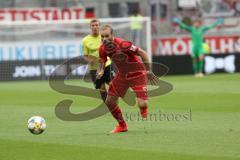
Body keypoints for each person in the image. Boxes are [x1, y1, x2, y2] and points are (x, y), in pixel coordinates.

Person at [96, 25, 158, 133]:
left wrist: (148, 70)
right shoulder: (102, 48)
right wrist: (100, 70)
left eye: (107, 36)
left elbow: (142, 53)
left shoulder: (123, 44)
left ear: (112, 35)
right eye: (102, 36)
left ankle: (143, 107)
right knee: (110, 101)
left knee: (143, 104)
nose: (105, 39)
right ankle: (122, 126)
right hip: (123, 75)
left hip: (137, 73)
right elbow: (102, 60)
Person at [82, 19, 112, 101]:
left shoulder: (104, 37)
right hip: (94, 68)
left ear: (99, 26)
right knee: (102, 89)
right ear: (90, 27)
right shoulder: (85, 40)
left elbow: (110, 48)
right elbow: (85, 55)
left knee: (112, 85)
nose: (95, 27)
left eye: (96, 25)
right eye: (93, 25)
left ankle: (113, 101)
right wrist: (89, 60)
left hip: (106, 64)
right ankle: (108, 106)